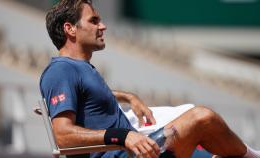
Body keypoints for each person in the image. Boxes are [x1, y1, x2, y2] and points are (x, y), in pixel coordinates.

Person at [40, 0, 260, 157]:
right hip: (127, 153)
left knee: (213, 142)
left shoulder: (79, 68)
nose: (103, 26)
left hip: (136, 148)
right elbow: (62, 135)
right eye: (94, 21)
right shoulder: (61, 71)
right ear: (70, 29)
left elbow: (87, 96)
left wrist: (128, 96)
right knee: (202, 118)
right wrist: (122, 136)